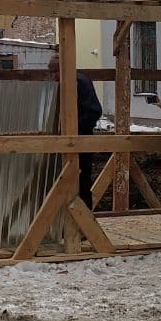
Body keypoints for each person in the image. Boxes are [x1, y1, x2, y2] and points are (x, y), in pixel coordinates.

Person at [47, 53, 103, 208]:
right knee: (68, 180)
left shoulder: (78, 82)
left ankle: (84, 222)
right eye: (50, 72)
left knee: (81, 181)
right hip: (69, 140)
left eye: (55, 72)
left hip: (81, 140)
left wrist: (74, 129)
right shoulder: (66, 83)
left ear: (64, 69)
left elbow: (94, 111)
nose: (52, 76)